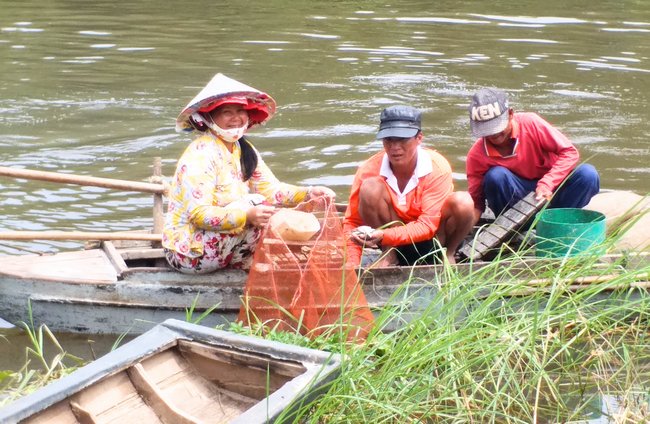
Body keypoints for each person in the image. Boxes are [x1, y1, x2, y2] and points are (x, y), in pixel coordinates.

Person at [163, 73, 335, 274]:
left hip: (223, 246)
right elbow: (199, 215)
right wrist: (247, 216)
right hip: (189, 253)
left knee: (264, 205)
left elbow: (272, 191)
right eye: (227, 112)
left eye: (240, 111)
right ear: (208, 117)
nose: (236, 118)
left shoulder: (244, 149)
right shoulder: (200, 154)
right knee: (255, 205)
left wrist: (308, 193)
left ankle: (241, 262)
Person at [344, 105, 475, 266]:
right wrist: (352, 264)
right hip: (391, 239)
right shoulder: (368, 169)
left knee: (464, 202)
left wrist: (383, 235)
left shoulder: (437, 167)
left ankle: (448, 253)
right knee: (369, 188)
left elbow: (427, 226)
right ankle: (390, 253)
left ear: (419, 138)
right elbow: (352, 222)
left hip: (434, 237)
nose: (394, 147)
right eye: (389, 139)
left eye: (402, 139)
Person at [466, 88, 600, 225]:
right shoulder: (476, 155)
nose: (494, 134)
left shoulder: (531, 123)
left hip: (551, 192)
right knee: (495, 176)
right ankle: (516, 229)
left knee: (587, 174)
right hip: (515, 204)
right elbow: (477, 202)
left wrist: (547, 183)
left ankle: (559, 221)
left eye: (497, 127)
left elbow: (569, 152)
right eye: (487, 130)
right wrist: (465, 229)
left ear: (510, 114)